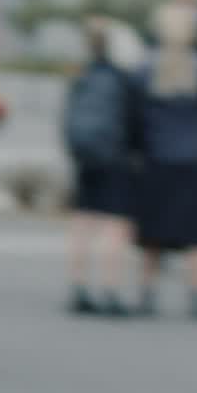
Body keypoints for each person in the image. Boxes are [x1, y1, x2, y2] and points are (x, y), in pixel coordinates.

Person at [129, 3, 197, 320]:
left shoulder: (145, 69)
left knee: (153, 233)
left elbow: (134, 119)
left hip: (157, 158)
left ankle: (148, 292)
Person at [62, 17, 137, 316]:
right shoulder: (122, 79)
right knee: (114, 225)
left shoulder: (80, 76)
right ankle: (110, 290)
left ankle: (78, 288)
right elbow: (133, 121)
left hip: (85, 156)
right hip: (115, 157)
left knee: (82, 222)